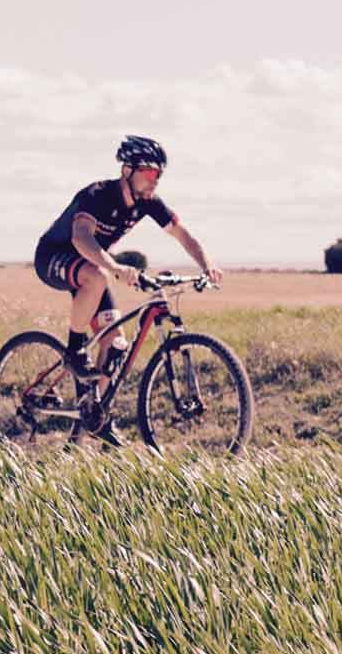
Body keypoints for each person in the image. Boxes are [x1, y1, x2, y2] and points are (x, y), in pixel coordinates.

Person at [33, 134, 223, 445]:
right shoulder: (98, 194)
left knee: (117, 345)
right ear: (127, 170)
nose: (154, 181)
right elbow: (82, 239)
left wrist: (207, 264)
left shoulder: (148, 202)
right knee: (96, 276)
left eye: (158, 175)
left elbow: (182, 234)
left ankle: (97, 416)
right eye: (148, 173)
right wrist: (116, 268)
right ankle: (75, 348)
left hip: (92, 265)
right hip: (54, 256)